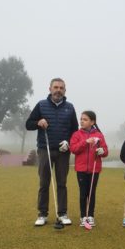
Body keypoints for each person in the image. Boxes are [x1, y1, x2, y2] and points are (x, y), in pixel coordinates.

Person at [25, 78, 78, 226]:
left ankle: (62, 213)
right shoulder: (41, 105)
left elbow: (75, 131)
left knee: (62, 183)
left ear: (65, 91)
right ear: (50, 89)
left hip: (63, 151)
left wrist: (68, 142)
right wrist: (38, 122)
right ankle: (42, 214)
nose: (58, 90)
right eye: (56, 87)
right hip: (44, 149)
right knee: (44, 183)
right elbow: (28, 124)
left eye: (61, 88)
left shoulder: (70, 107)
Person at [70, 111, 108, 227]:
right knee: (83, 193)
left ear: (92, 122)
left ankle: (90, 216)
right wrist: (85, 142)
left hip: (94, 169)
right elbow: (73, 149)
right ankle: (83, 217)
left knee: (91, 193)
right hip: (81, 169)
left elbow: (105, 151)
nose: (82, 121)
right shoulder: (77, 134)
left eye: (85, 119)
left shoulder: (99, 135)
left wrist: (102, 151)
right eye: (81, 119)